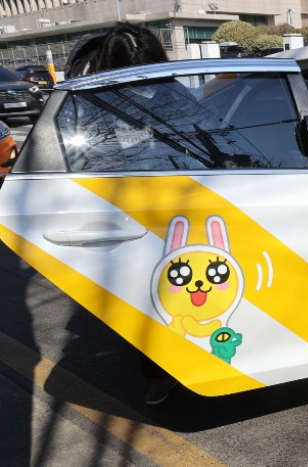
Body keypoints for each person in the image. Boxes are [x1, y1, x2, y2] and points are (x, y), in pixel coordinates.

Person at [65, 22, 178, 405]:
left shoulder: (168, 87)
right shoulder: (84, 95)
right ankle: (159, 371)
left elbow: (193, 129)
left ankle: (182, 362)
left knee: (176, 286)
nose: (137, 86)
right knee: (143, 293)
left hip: (170, 200)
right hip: (116, 205)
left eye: (145, 76)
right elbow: (74, 155)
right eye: (128, 78)